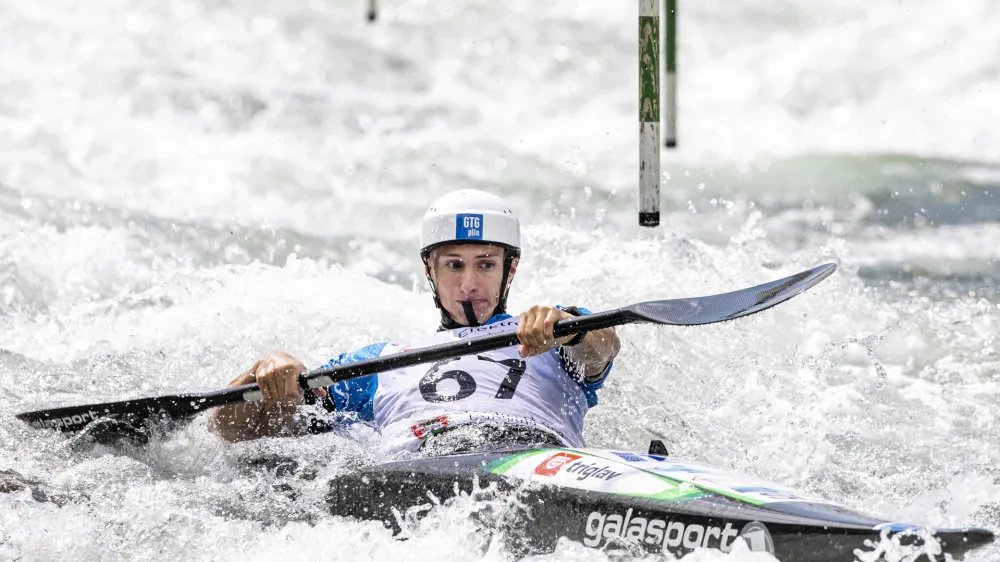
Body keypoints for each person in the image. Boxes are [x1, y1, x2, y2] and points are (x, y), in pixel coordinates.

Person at [208, 189, 621, 455]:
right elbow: (230, 431)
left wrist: (570, 327)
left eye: (486, 265)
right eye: (454, 265)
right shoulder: (380, 362)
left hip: (534, 453)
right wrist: (264, 373)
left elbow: (602, 348)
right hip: (422, 462)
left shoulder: (556, 334)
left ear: (510, 270)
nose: (469, 284)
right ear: (430, 270)